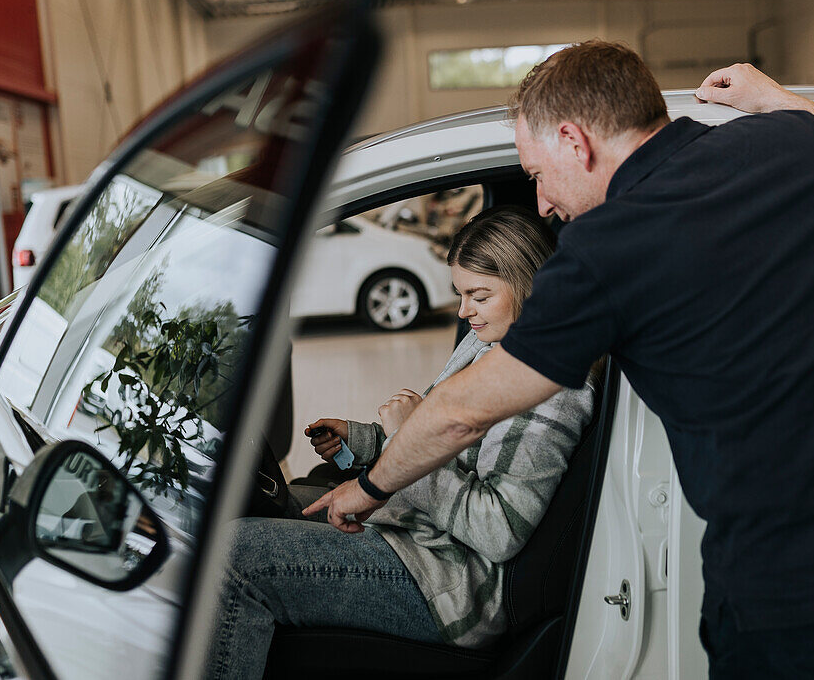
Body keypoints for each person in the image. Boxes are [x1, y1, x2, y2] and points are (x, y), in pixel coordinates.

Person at [306, 45, 814, 678]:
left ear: (575, 140)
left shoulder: (605, 251)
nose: (541, 202)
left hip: (801, 611)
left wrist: (368, 488)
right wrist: (781, 98)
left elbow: (460, 414)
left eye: (539, 175)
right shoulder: (792, 141)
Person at [205, 206, 597, 679]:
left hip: (450, 580)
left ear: (528, 285)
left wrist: (399, 437)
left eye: (479, 295)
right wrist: (365, 442)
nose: (462, 310)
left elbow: (498, 532)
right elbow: (438, 439)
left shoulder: (555, 393)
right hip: (417, 532)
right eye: (459, 294)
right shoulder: (490, 343)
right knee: (274, 507)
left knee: (236, 556)